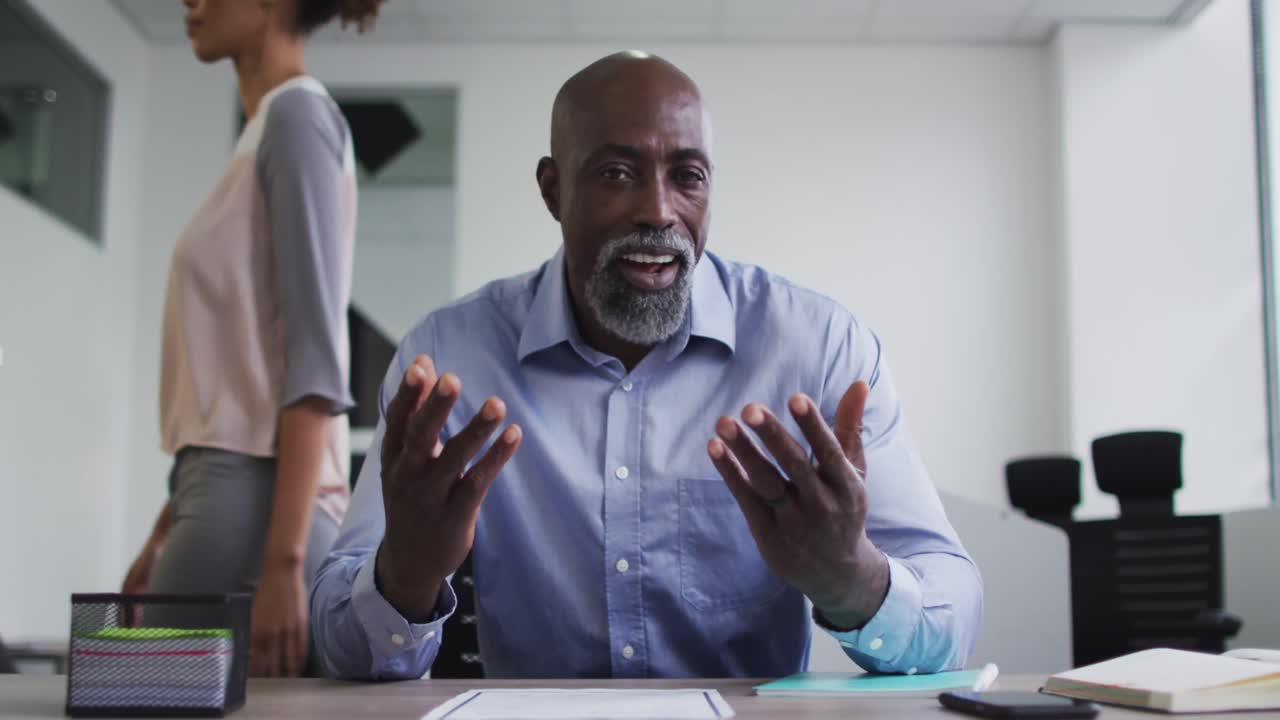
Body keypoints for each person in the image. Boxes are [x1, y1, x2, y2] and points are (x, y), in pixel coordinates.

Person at [311, 52, 982, 680]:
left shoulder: (818, 349)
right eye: (615, 173)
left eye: (686, 176)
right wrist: (404, 576)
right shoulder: (451, 358)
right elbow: (336, 641)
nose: (658, 211)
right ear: (552, 190)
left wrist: (852, 580)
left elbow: (954, 610)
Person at [120, 0, 384, 678]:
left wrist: (284, 566)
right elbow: (244, 380)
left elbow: (316, 361)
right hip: (220, 500)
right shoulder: (267, 129)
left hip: (257, 517)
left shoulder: (297, 118)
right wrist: (166, 526)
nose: (191, 3)